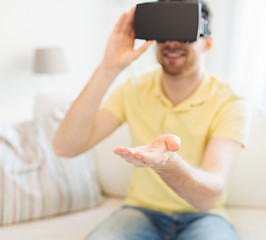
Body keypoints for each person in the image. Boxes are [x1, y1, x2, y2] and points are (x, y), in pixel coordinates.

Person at [53, 0, 250, 239]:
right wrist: (109, 67)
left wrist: (166, 163)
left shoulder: (229, 102)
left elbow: (207, 197)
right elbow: (65, 146)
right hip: (140, 212)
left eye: (184, 32)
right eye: (165, 31)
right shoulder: (134, 88)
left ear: (207, 42)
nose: (172, 42)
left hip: (204, 216)